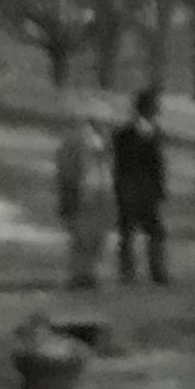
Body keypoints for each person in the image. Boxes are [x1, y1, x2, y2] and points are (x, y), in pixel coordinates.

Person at [109, 88, 172, 284]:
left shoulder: (155, 133)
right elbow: (120, 165)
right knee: (128, 232)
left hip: (148, 191)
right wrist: (121, 187)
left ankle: (156, 270)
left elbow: (158, 166)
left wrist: (160, 188)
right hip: (130, 189)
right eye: (154, 107)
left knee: (155, 232)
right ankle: (128, 272)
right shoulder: (124, 134)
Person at [54, 111, 112, 292]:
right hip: (84, 195)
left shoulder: (105, 142)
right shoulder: (76, 141)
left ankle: (88, 273)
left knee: (96, 237)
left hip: (101, 192)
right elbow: (67, 171)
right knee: (82, 237)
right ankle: (79, 274)